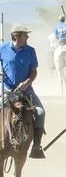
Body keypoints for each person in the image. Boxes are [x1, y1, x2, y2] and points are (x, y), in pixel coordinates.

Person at [0, 24, 46, 159]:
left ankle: (36, 146)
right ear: (16, 36)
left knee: (40, 112)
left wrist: (26, 83)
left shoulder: (30, 51)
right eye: (25, 35)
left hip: (26, 91)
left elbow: (33, 72)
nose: (28, 37)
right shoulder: (2, 49)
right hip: (6, 90)